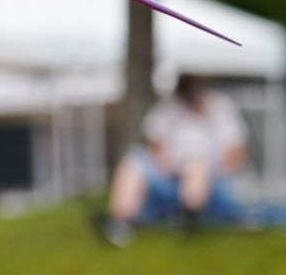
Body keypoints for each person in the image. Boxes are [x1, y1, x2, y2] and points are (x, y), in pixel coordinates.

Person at [100, 74, 248, 246]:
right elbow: (154, 144)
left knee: (196, 164)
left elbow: (237, 153)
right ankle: (120, 221)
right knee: (134, 160)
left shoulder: (220, 107)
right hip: (171, 175)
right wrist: (166, 163)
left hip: (211, 178)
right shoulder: (168, 107)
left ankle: (189, 218)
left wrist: (217, 167)